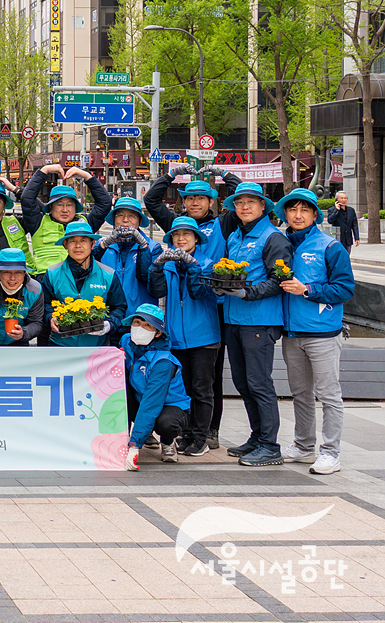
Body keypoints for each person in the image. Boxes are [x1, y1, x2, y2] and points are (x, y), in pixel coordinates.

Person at [146, 162, 241, 451]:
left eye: (201, 198)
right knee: (188, 379)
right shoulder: (177, 228)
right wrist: (172, 174)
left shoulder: (223, 223)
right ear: (183, 202)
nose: (195, 202)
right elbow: (151, 200)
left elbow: (242, 199)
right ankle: (189, 431)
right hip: (180, 319)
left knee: (209, 378)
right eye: (189, 198)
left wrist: (222, 174)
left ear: (212, 200)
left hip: (214, 305)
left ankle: (209, 430)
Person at [276, 188, 356, 475]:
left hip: (323, 333)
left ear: (314, 215)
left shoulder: (329, 246)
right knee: (300, 393)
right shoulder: (282, 244)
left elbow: (345, 288)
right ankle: (303, 445)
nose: (298, 215)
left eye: (304, 210)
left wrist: (308, 289)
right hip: (291, 334)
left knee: (328, 394)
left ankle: (331, 453)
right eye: (292, 210)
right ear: (284, 214)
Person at [215, 181, 293, 467]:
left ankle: (270, 446)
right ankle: (257, 437)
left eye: (251, 202)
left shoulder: (273, 238)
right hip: (234, 319)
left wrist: (248, 292)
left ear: (263, 206)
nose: (244, 207)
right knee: (242, 383)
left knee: (259, 383)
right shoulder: (235, 236)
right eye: (239, 203)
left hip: (259, 320)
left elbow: (279, 280)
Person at [148, 217, 221, 456]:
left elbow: (198, 292)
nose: (181, 239)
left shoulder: (209, 263)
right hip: (176, 337)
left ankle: (201, 437)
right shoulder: (168, 265)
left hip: (203, 337)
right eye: (176, 235)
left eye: (187, 235)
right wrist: (157, 267)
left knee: (202, 389)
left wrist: (193, 265)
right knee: (184, 390)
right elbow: (156, 291)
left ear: (196, 238)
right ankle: (186, 434)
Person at [121, 304, 193, 469]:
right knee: (118, 398)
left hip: (170, 404)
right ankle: (123, 439)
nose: (140, 328)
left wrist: (134, 446)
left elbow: (151, 402)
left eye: (148, 325)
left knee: (166, 423)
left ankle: (168, 441)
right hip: (141, 397)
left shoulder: (163, 362)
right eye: (137, 322)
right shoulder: (126, 341)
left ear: (158, 333)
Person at [39, 220, 127, 347]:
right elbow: (44, 304)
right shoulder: (53, 273)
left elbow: (119, 307)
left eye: (83, 241)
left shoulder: (108, 274)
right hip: (61, 345)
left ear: (92, 244)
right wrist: (50, 317)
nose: (78, 246)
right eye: (72, 241)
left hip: (96, 347)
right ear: (65, 244)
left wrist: (109, 324)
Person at [19, 164, 113, 274]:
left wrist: (86, 176)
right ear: (50, 207)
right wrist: (45, 170)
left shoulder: (85, 223)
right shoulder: (38, 222)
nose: (65, 210)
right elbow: (27, 199)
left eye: (69, 205)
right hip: (45, 279)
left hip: (79, 279)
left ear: (75, 207)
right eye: (59, 205)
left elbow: (105, 203)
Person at [94, 196, 162, 319]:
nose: (125, 220)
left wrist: (143, 246)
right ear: (114, 219)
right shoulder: (102, 246)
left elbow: (150, 282)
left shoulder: (153, 248)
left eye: (132, 216)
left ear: (140, 221)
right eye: (120, 215)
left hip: (141, 319)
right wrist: (103, 245)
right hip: (107, 318)